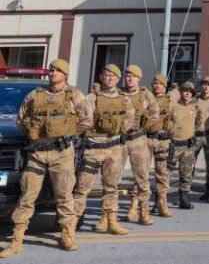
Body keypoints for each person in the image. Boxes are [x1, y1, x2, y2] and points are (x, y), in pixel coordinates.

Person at [0, 59, 93, 257]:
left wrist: (67, 134)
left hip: (62, 154)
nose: (53, 73)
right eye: (51, 69)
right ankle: (16, 240)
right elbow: (21, 119)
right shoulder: (35, 95)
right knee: (27, 197)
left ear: (65, 74)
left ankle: (67, 235)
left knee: (64, 196)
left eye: (58, 70)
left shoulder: (74, 95)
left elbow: (87, 120)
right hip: (37, 153)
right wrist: (33, 134)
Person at [73, 64, 134, 236]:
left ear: (118, 79)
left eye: (114, 76)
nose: (110, 78)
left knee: (111, 188)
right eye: (107, 75)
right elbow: (82, 120)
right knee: (82, 188)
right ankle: (71, 225)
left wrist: (116, 130)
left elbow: (129, 120)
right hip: (92, 149)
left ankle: (111, 222)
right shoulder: (91, 98)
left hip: (114, 149)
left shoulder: (124, 99)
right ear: (101, 77)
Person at [121, 64, 159, 225]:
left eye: (133, 76)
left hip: (139, 140)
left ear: (139, 78)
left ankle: (143, 211)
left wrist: (145, 125)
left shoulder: (146, 95)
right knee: (113, 178)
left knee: (142, 177)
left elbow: (155, 114)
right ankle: (107, 215)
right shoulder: (119, 94)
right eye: (128, 75)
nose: (130, 78)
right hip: (120, 140)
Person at [147, 73, 175, 218]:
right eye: (155, 83)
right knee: (141, 174)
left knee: (162, 173)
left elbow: (176, 120)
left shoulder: (169, 101)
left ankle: (162, 203)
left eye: (160, 83)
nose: (157, 86)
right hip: (146, 140)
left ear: (164, 86)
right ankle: (139, 205)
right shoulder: (145, 99)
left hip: (163, 141)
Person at [171, 82, 203, 209]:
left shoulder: (195, 107)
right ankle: (159, 202)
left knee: (186, 174)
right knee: (164, 174)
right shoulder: (173, 106)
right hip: (173, 145)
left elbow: (199, 121)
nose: (187, 93)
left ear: (193, 94)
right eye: (185, 90)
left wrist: (192, 134)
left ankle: (184, 199)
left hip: (188, 147)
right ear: (181, 92)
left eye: (190, 91)